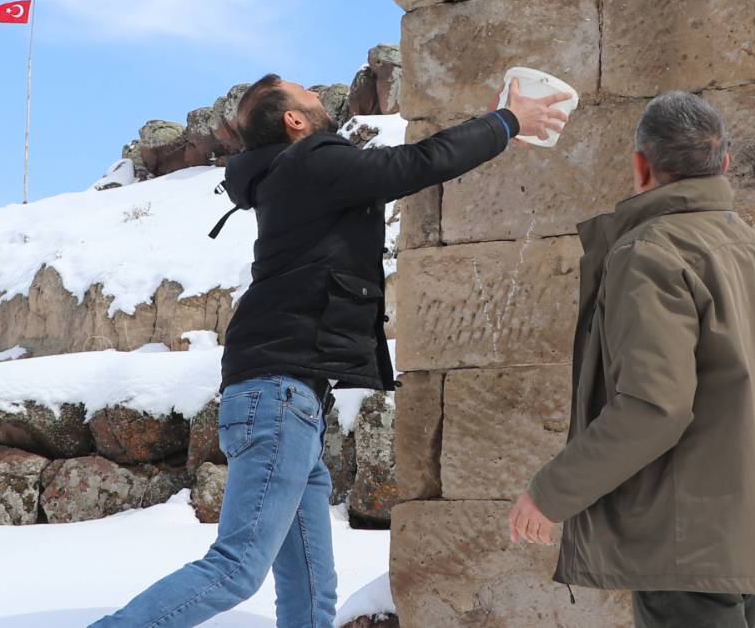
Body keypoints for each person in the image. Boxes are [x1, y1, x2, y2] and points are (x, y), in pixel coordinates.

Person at [94, 73, 568, 628]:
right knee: (237, 567)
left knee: (312, 592)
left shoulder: (292, 174)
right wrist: (505, 123)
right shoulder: (306, 163)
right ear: (293, 119)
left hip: (291, 398)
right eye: (309, 96)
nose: (323, 100)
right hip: (278, 393)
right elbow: (411, 166)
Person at [507, 90, 755, 628]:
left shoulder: (651, 251)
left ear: (640, 166)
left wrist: (549, 493)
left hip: (688, 545)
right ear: (723, 164)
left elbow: (654, 408)